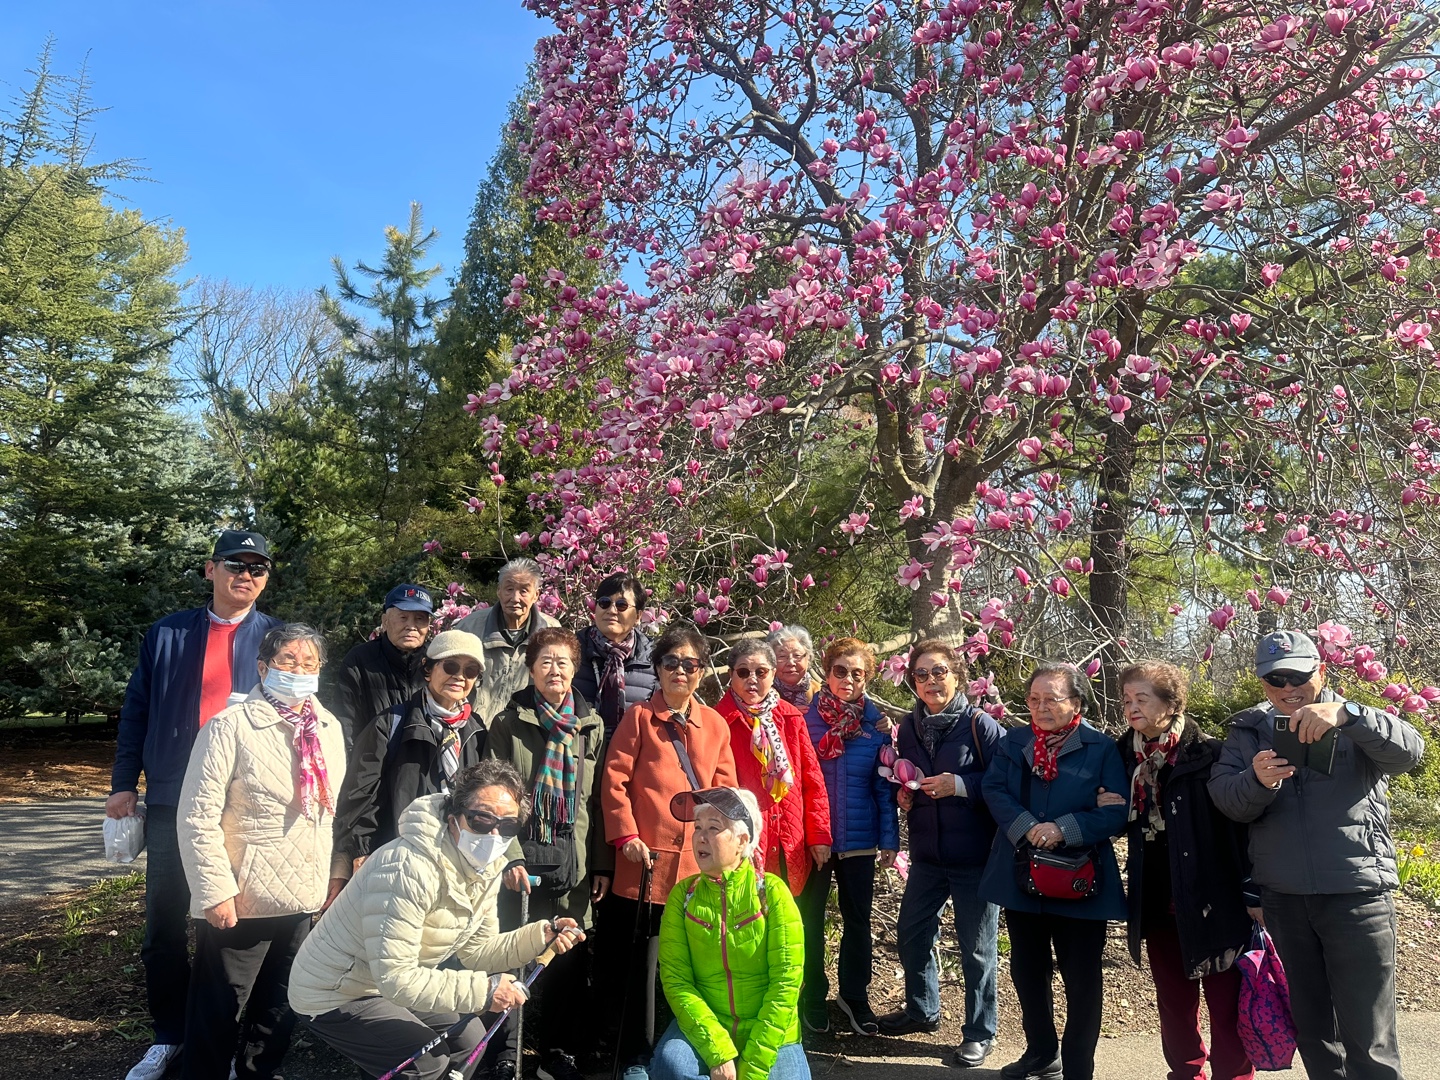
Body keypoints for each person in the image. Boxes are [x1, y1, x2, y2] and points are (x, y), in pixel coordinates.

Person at [1209, 630, 1425, 1080]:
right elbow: (1228, 801)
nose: (1288, 688)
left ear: (1321, 672)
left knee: (1369, 1036)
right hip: (1284, 899)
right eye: (1275, 680)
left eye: (1298, 676)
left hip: (1357, 894)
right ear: (1263, 683)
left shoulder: (1355, 719)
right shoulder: (1247, 731)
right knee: (1315, 1033)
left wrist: (1349, 716)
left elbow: (1409, 753)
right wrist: (1257, 781)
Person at [108, 528, 283, 1080]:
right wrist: (123, 782)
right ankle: (170, 1035)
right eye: (235, 564)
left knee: (227, 929)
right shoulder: (168, 634)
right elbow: (137, 709)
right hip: (171, 800)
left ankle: (217, 1042)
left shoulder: (277, 639)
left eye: (257, 567)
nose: (246, 575)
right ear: (211, 569)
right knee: (163, 926)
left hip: (243, 806)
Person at [289, 761, 586, 1080]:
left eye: (508, 826)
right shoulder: (407, 866)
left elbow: (477, 951)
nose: (494, 834)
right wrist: (485, 991)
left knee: (469, 1040)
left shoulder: (486, 867)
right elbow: (396, 978)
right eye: (482, 819)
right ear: (453, 816)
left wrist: (541, 936)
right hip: (335, 990)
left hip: (384, 981)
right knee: (425, 1064)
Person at [177, 624, 345, 1080]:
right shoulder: (229, 727)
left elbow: (329, 814)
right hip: (242, 897)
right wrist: (214, 890)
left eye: (309, 663)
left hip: (303, 894)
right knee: (220, 1008)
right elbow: (196, 816)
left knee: (279, 1007)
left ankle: (257, 1073)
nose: (299, 671)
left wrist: (331, 875)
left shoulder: (328, 728)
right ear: (263, 667)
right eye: (288, 660)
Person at [1102, 661, 1254, 1080]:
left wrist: (1253, 892)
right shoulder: (1119, 757)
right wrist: (1107, 808)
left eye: (1142, 698)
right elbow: (1115, 820)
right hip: (1155, 897)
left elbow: (1242, 832)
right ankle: (1187, 1074)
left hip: (1215, 899)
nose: (1131, 708)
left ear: (1171, 705)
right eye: (1126, 700)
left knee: (1226, 1003)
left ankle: (1234, 1076)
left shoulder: (1211, 754)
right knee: (1173, 1002)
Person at [600, 622, 739, 1078]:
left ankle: (684, 1047)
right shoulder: (639, 718)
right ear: (657, 668)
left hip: (696, 867)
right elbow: (615, 781)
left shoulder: (715, 724)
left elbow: (726, 792)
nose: (680, 670)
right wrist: (626, 836)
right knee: (636, 969)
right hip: (642, 864)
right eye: (670, 662)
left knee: (689, 965)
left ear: (701, 671)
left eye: (690, 664)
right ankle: (633, 1055)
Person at [978, 661, 1127, 1080]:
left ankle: (1079, 1068)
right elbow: (994, 789)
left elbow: (1116, 812)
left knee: (1081, 978)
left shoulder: (1101, 748)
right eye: (1034, 699)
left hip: (1079, 879)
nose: (1040, 707)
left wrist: (1064, 828)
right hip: (1022, 875)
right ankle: (1042, 1052)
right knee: (1027, 969)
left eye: (1052, 699)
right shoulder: (1014, 742)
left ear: (1076, 703)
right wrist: (1028, 826)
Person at [484, 627, 613, 1080]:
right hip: (523, 862)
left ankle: (558, 1051)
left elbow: (597, 802)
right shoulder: (509, 723)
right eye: (545, 661)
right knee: (512, 956)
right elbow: (494, 798)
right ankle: (505, 1052)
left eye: (563, 661)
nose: (554, 669)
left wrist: (601, 864)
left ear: (575, 669)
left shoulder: (591, 725)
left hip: (574, 862)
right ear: (531, 669)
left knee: (568, 960)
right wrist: (510, 856)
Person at [878, 640, 1004, 1069]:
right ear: (912, 681)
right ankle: (922, 1010)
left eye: (939, 672)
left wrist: (960, 785)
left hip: (975, 857)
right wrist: (905, 795)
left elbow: (1006, 782)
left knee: (977, 949)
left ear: (957, 676)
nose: (931, 681)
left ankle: (980, 1032)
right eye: (921, 674)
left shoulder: (980, 725)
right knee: (912, 934)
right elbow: (907, 776)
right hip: (928, 855)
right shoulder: (908, 727)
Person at [654, 787, 808, 1080]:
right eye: (698, 827)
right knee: (670, 1066)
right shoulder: (683, 896)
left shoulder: (772, 893)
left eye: (714, 828)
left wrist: (752, 1069)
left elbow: (786, 985)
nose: (700, 837)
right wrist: (718, 1053)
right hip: (707, 1026)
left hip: (769, 1029)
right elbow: (676, 981)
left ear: (742, 841)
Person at [330, 630, 490, 890]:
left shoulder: (476, 731)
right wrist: (360, 850)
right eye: (450, 666)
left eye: (470, 671)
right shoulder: (391, 724)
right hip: (396, 861)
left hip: (456, 864)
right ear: (428, 669)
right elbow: (360, 797)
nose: (460, 676)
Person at [798, 637, 898, 1037]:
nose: (848, 679)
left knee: (858, 921)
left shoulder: (875, 727)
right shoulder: (805, 721)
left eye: (858, 673)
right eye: (840, 670)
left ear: (867, 678)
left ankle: (854, 995)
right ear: (826, 672)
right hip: (816, 841)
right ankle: (812, 992)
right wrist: (810, 834)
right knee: (810, 919)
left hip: (860, 839)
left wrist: (889, 839)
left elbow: (883, 788)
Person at [715, 638, 832, 897]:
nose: (752, 679)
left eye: (761, 672)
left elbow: (813, 781)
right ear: (731, 675)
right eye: (743, 672)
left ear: (773, 674)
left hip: (790, 838)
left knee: (785, 914)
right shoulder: (718, 722)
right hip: (743, 841)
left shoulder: (791, 717)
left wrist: (819, 836)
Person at [330, 583, 433, 753]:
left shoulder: (438, 662)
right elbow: (346, 723)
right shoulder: (360, 660)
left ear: (428, 625)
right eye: (403, 617)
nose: (411, 626)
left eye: (420, 619)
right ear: (385, 621)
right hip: (371, 762)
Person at [455, 557, 560, 724]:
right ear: (499, 591)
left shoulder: (551, 633)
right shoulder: (470, 627)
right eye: (509, 589)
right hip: (473, 728)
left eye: (524, 591)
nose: (515, 598)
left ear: (536, 595)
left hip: (525, 730)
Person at [572, 572, 658, 744]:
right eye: (604, 603)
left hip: (632, 753)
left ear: (638, 616)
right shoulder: (571, 650)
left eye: (621, 605)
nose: (611, 610)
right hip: (579, 751)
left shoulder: (653, 656)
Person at [768, 626, 820, 710]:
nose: (791, 663)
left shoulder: (820, 692)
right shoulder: (763, 693)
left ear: (808, 658)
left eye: (797, 655)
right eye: (782, 656)